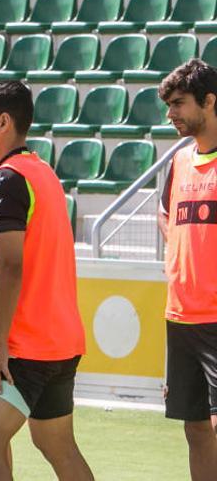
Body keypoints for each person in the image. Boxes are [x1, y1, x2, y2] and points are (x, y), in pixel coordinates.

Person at [0, 81, 92, 481]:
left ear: (2, 123)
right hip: (61, 340)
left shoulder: (4, 180)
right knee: (56, 444)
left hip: (25, 345)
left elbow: (9, 265)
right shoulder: (41, 171)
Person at [157, 59, 217, 481]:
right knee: (195, 428)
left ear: (210, 101)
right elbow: (166, 216)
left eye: (179, 104)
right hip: (181, 316)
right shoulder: (178, 162)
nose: (171, 114)